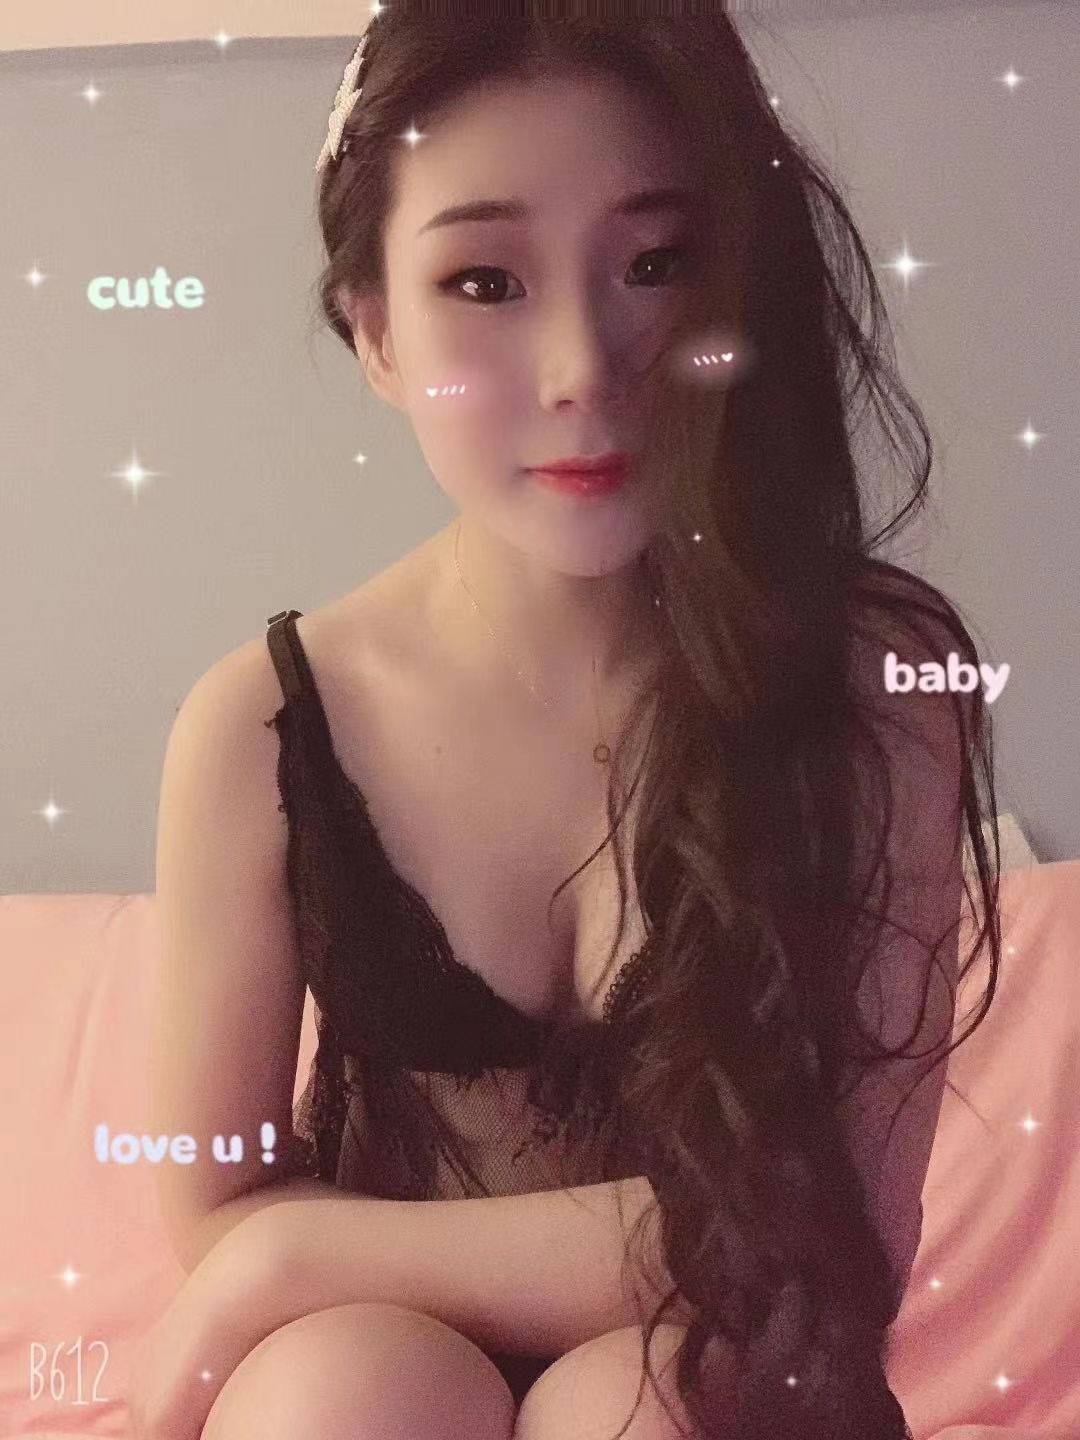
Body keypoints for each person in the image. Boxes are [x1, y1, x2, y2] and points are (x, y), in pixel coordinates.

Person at [141, 6, 1002, 1439]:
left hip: (742, 1388)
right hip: (379, 1376)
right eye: (484, 280)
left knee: (646, 1401)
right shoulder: (263, 729)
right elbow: (211, 1207)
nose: (582, 368)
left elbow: (833, 1253)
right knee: (342, 1392)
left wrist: (288, 1256)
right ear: (374, 333)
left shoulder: (873, 689)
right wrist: (274, 1266)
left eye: (657, 264)